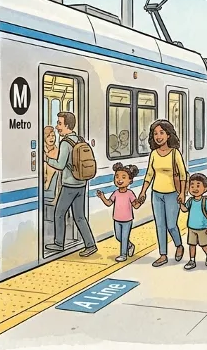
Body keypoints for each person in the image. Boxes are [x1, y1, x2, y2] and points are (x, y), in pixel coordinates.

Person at [44, 112, 97, 257]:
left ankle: (58, 244)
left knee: (59, 213)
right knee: (79, 216)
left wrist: (46, 159)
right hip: (81, 183)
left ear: (67, 126)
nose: (57, 127)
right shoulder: (79, 139)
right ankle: (90, 244)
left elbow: (60, 165)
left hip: (69, 185)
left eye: (60, 124)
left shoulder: (66, 143)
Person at [137, 120, 187, 267]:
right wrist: (143, 192)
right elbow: (149, 174)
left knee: (171, 225)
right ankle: (163, 255)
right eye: (155, 134)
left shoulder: (175, 153)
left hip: (172, 194)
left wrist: (183, 193)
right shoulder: (153, 154)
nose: (158, 136)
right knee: (160, 225)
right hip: (156, 194)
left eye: (161, 133)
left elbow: (183, 175)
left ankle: (179, 245)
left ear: (168, 134)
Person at [96, 163, 142, 262]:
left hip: (127, 220)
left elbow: (136, 205)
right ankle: (130, 245)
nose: (119, 180)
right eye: (117, 177)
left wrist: (141, 201)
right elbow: (109, 203)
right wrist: (102, 197)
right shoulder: (115, 193)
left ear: (130, 180)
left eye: (123, 177)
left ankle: (123, 255)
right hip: (116, 219)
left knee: (124, 238)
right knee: (118, 237)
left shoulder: (130, 193)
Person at [180, 173, 207, 270]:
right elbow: (184, 209)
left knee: (204, 244)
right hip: (191, 227)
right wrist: (180, 203)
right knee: (192, 245)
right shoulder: (190, 201)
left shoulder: (205, 201)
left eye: (198, 186)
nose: (194, 188)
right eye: (192, 185)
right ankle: (192, 260)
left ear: (205, 188)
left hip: (202, 228)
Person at [43, 126, 59, 193]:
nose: (51, 138)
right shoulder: (41, 152)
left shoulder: (58, 152)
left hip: (53, 189)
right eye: (48, 136)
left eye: (53, 135)